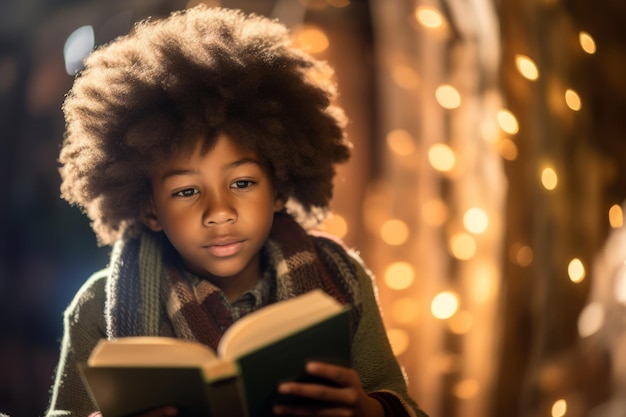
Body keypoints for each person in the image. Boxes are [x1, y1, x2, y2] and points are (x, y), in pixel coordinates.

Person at [45, 5, 428, 417]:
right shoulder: (98, 305)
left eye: (242, 183)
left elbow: (404, 406)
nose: (219, 211)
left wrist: (367, 409)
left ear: (278, 187)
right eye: (187, 190)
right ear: (149, 208)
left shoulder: (341, 281)